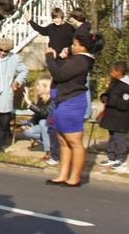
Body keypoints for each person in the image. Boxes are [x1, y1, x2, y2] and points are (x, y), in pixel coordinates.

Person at [45, 29, 103, 187]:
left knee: (74, 141)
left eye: (75, 44)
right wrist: (61, 59)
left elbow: (59, 75)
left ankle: (75, 177)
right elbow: (63, 72)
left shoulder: (82, 60)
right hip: (63, 99)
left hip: (72, 102)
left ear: (83, 47)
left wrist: (49, 57)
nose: (72, 46)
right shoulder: (76, 59)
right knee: (63, 140)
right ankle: (63, 174)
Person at [98, 61, 129, 173]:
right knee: (112, 137)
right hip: (112, 117)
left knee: (120, 139)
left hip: (121, 118)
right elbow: (108, 94)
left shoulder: (127, 87)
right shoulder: (114, 83)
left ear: (119, 72)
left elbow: (124, 104)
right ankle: (111, 157)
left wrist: (110, 101)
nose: (111, 72)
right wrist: (104, 97)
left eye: (113, 71)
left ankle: (121, 159)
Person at [20, 78, 55, 163]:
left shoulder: (53, 99)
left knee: (42, 122)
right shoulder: (41, 99)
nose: (37, 87)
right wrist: (30, 123)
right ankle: (53, 145)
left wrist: (29, 102)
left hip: (53, 125)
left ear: (46, 87)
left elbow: (44, 113)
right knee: (27, 132)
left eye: (39, 86)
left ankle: (49, 153)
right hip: (44, 127)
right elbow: (37, 115)